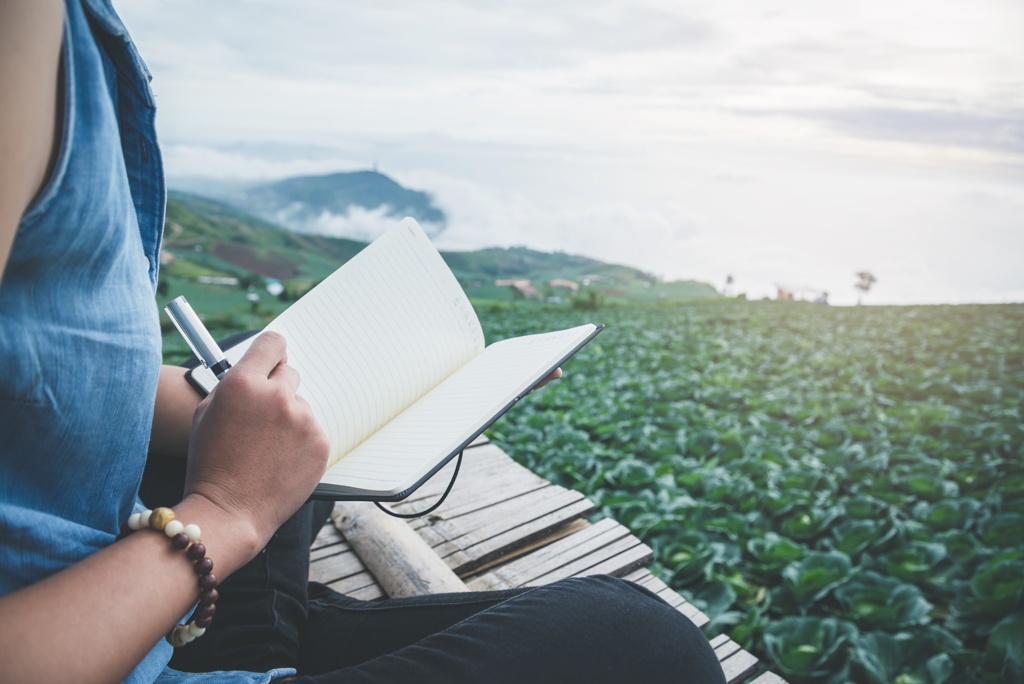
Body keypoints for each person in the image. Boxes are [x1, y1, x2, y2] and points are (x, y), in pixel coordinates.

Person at [0, 1, 726, 682]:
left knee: (270, 384)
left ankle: (265, 634)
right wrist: (228, 510)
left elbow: (48, 376)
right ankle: (266, 640)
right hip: (86, 636)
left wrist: (262, 425)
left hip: (108, 570)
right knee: (641, 646)